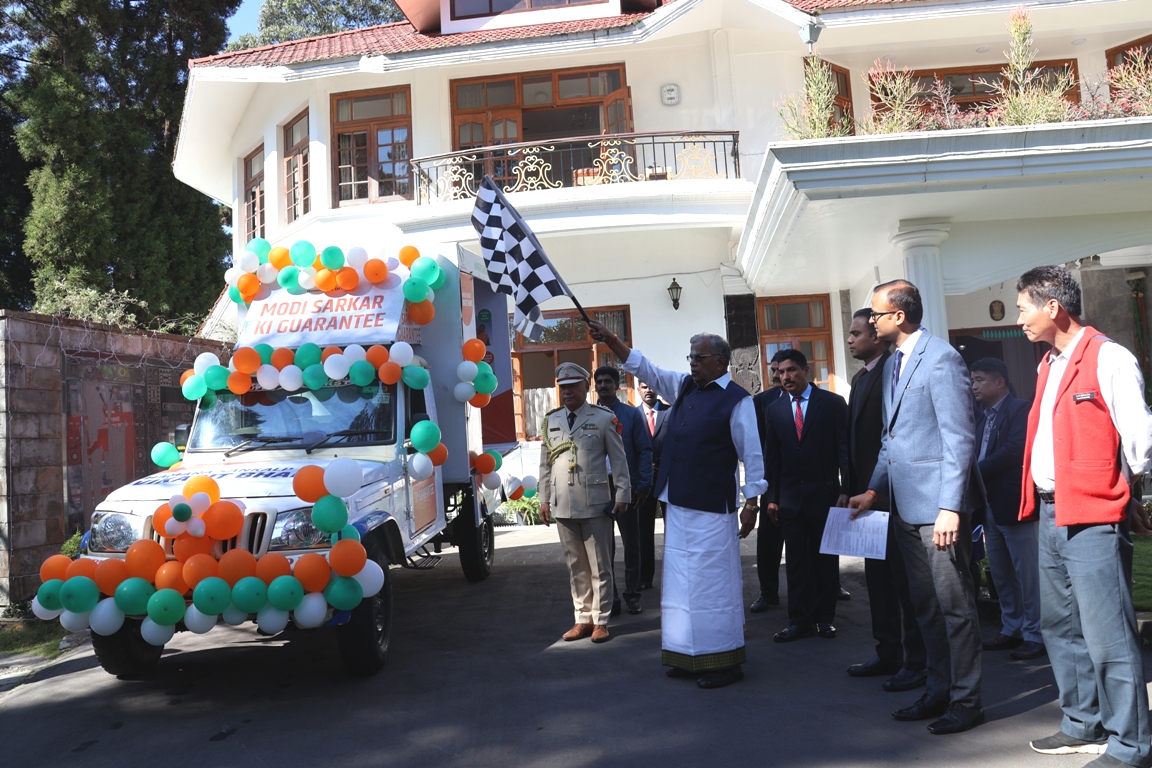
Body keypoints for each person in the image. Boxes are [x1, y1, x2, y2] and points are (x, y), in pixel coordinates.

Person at [1016, 266, 1152, 768]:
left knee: (1108, 633)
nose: (1019, 319)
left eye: (1023, 308)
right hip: (1051, 511)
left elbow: (1139, 440)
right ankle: (1082, 723)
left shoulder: (1111, 357)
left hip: (1092, 514)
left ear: (1053, 307)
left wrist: (1124, 491)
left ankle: (1131, 745)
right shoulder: (1047, 363)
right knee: (1060, 626)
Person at [588, 319, 765, 689]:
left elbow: (752, 454)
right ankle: (688, 655)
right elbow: (646, 368)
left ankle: (724, 660)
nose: (692, 363)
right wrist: (613, 341)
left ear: (720, 361)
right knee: (682, 584)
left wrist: (752, 502)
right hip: (678, 502)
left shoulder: (738, 401)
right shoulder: (685, 387)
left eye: (699, 358)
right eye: (690, 357)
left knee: (712, 585)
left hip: (713, 508)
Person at [848, 279, 986, 736]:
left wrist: (951, 507)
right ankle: (938, 688)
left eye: (875, 314)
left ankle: (967, 701)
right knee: (925, 606)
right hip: (905, 508)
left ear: (899, 317)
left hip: (937, 512)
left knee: (955, 606)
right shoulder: (892, 365)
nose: (869, 321)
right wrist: (872, 490)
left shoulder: (942, 359)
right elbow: (894, 439)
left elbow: (960, 439)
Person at [844, 308, 927, 692]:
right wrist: (849, 486)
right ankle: (888, 650)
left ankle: (916, 660)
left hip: (894, 495)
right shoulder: (861, 378)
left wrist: (876, 488)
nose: (850, 339)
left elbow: (892, 438)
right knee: (877, 578)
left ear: (876, 336)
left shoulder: (895, 371)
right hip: (867, 496)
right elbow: (853, 440)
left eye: (857, 333)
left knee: (904, 582)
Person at [538, 362, 631, 644]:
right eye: (562, 387)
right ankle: (582, 619)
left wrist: (623, 494)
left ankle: (601, 620)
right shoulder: (551, 421)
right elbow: (545, 464)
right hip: (563, 504)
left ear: (585, 387)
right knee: (576, 566)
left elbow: (619, 459)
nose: (567, 392)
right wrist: (543, 499)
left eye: (572, 386)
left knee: (600, 565)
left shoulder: (603, 418)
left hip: (595, 503)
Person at [761, 349, 848, 642]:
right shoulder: (774, 409)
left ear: (806, 370)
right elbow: (771, 457)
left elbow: (844, 450)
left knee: (825, 560)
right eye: (780, 372)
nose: (785, 377)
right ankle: (799, 621)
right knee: (796, 562)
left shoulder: (833, 404)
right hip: (789, 499)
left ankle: (824, 618)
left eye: (791, 370)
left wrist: (846, 489)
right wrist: (772, 496)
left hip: (825, 496)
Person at [969, 358, 1043, 661]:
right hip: (988, 506)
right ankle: (1011, 628)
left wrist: (974, 472)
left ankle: (1035, 634)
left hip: (1015, 504)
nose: (973, 386)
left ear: (1000, 382)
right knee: (1000, 573)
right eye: (972, 380)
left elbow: (1014, 451)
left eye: (980, 380)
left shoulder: (1019, 410)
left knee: (1027, 574)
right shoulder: (982, 418)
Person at [594, 365, 653, 615]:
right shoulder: (589, 416)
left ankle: (632, 595)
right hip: (597, 489)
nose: (604, 385)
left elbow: (644, 451)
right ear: (594, 386)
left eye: (608, 381)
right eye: (600, 382)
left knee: (632, 544)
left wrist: (642, 485)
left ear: (617, 386)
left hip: (625, 487)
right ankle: (612, 597)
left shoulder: (630, 415)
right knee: (603, 547)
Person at [750, 352, 787, 612]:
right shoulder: (761, 402)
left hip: (807, 483)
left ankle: (829, 586)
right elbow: (757, 446)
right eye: (773, 370)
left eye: (781, 369)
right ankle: (768, 592)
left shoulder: (817, 400)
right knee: (768, 542)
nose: (777, 375)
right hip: (771, 483)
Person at [636, 380, 669, 590]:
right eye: (644, 387)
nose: (649, 390)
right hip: (643, 483)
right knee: (643, 531)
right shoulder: (632, 415)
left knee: (673, 530)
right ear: (637, 390)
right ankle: (645, 577)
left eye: (651, 386)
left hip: (669, 480)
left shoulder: (671, 412)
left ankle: (673, 575)